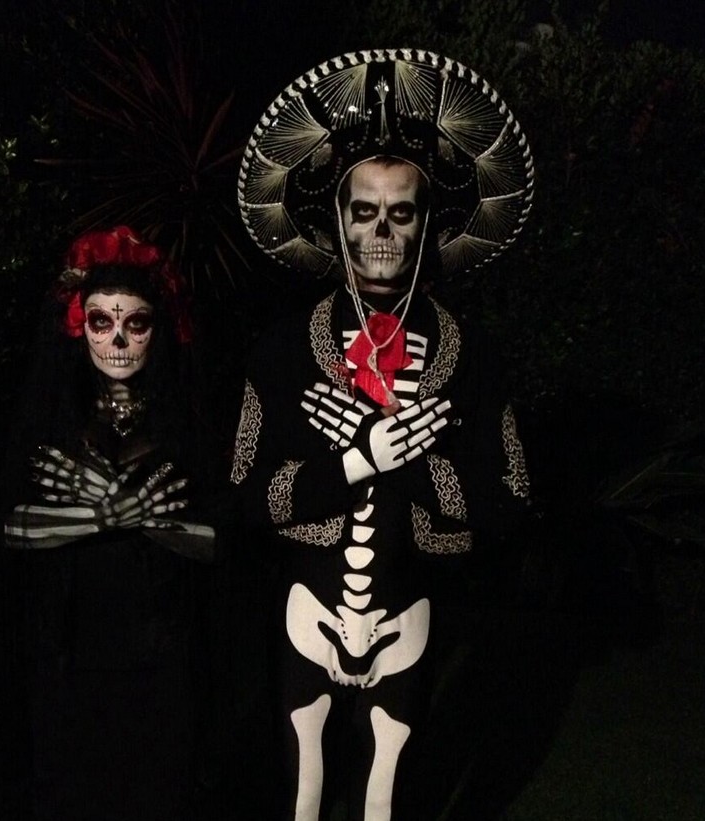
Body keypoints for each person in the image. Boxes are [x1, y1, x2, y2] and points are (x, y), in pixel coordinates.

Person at [230, 49, 534, 820]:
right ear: (336, 219)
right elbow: (242, 495)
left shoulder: (473, 355)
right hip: (306, 612)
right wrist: (355, 461)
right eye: (364, 210)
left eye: (402, 212)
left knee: (388, 799)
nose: (381, 230)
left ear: (428, 222)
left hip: (411, 616)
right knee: (299, 796)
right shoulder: (282, 350)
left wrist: (412, 462)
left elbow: (512, 500)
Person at [2, 226, 214, 820]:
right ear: (80, 327)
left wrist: (130, 516)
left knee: (154, 780)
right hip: (72, 640)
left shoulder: (180, 422)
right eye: (101, 322)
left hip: (159, 643)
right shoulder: (54, 416)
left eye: (135, 323)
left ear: (157, 329)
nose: (118, 340)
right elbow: (12, 525)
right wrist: (109, 515)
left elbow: (217, 536)